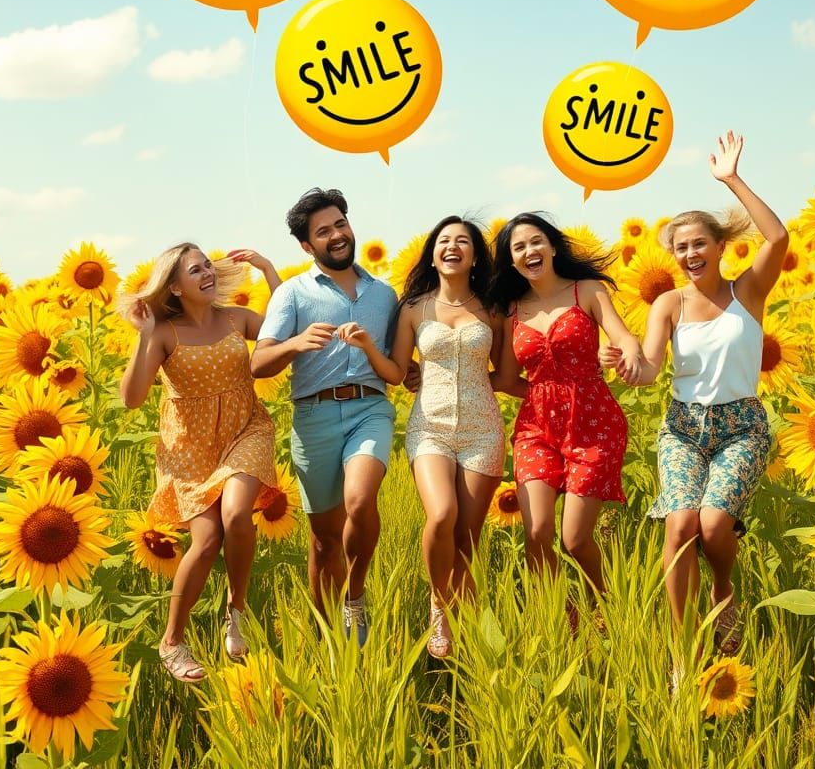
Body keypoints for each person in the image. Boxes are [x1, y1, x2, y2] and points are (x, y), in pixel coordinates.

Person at [601, 131, 787, 665]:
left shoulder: (747, 291)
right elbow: (652, 367)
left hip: (742, 426)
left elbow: (777, 237)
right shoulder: (667, 303)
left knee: (711, 525)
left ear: (720, 247)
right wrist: (627, 365)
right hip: (684, 427)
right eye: (680, 247)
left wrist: (731, 180)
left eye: (698, 244)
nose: (689, 254)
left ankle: (723, 587)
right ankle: (683, 651)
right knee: (680, 525)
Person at [338, 216, 518, 658]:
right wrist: (366, 348)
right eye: (444, 241)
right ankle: (441, 606)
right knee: (441, 516)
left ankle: (473, 641)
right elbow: (399, 373)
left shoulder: (494, 309)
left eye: (463, 241)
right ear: (432, 253)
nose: (452, 246)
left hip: (482, 430)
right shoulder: (414, 308)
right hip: (430, 428)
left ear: (475, 255)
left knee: (466, 542)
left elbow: (507, 375)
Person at [119, 244, 280, 683]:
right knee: (206, 542)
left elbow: (284, 334)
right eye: (196, 270)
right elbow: (132, 399)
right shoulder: (165, 334)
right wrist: (145, 334)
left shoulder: (237, 318)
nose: (208, 272)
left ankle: (237, 610)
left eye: (208, 264)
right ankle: (172, 641)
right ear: (174, 285)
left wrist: (268, 271)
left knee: (236, 514)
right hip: (190, 449)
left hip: (246, 429)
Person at [250, 188, 398, 645]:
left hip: (369, 408)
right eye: (323, 231)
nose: (337, 235)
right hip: (313, 417)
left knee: (360, 499)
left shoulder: (384, 294)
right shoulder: (293, 294)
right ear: (306, 246)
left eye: (340, 224)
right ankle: (328, 635)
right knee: (324, 541)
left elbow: (394, 361)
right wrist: (295, 344)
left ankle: (355, 597)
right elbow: (259, 363)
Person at [488, 213, 641, 606]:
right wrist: (445, 380)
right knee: (537, 531)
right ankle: (559, 616)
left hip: (594, 424)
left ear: (552, 246)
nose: (529, 251)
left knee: (574, 538)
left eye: (535, 241)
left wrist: (625, 356)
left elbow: (625, 339)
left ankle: (605, 605)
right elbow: (506, 378)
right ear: (511, 261)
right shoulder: (511, 311)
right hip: (536, 430)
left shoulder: (586, 291)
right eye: (518, 248)